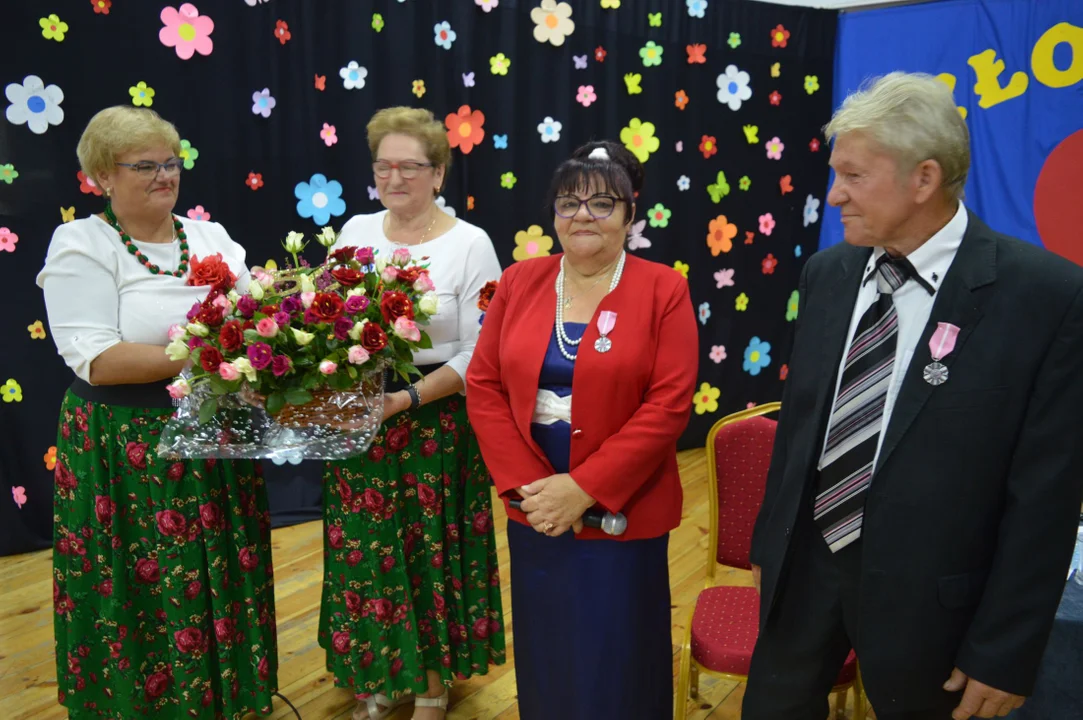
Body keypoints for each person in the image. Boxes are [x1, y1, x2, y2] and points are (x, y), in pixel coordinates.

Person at [745, 72, 1083, 720]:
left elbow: (1044, 495)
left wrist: (1004, 650)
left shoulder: (1046, 298)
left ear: (922, 179)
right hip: (807, 570)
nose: (834, 193)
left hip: (934, 600)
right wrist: (770, 547)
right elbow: (800, 428)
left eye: (852, 176)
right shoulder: (828, 272)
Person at [36, 106, 278, 718]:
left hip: (212, 428)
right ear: (101, 177)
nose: (163, 175)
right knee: (142, 577)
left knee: (218, 562)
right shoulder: (81, 243)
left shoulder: (210, 237)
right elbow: (99, 359)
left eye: (170, 162)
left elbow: (257, 320)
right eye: (144, 165)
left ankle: (223, 697)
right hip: (125, 444)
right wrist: (213, 355)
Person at [466, 140, 698, 720]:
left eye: (601, 203)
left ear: (629, 214)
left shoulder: (663, 288)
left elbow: (668, 406)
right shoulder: (521, 281)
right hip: (535, 502)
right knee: (549, 645)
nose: (582, 217)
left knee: (617, 649)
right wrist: (528, 488)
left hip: (624, 505)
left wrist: (585, 487)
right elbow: (485, 386)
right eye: (568, 204)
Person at [320, 107, 505, 720]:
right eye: (383, 165)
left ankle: (430, 684)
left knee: (428, 555)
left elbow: (484, 350)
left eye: (410, 166)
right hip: (359, 420)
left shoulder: (470, 243)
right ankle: (376, 672)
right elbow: (323, 322)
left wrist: (407, 400)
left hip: (433, 420)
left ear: (439, 171)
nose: (395, 177)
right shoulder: (353, 232)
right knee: (366, 552)